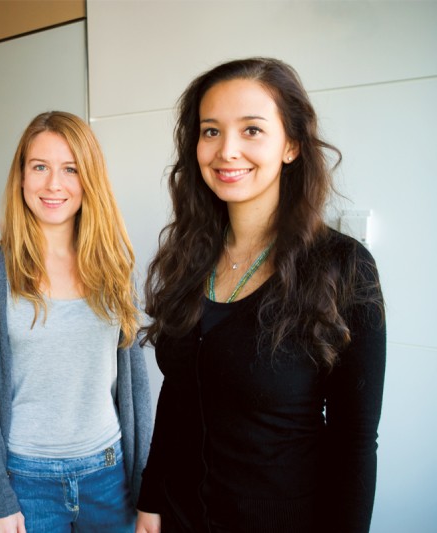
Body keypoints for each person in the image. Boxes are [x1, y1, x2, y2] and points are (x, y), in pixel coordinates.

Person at [135, 57, 386, 533]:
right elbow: (179, 395)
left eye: (251, 130)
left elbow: (355, 442)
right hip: (181, 517)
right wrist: (152, 498)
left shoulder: (341, 267)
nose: (226, 150)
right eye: (211, 131)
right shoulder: (190, 256)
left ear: (291, 144)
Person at [0, 111, 152, 532]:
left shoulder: (114, 266)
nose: (53, 184)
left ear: (89, 180)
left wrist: (147, 487)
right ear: (22, 177)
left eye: (70, 169)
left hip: (109, 477)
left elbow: (136, 387)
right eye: (40, 167)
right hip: (26, 484)